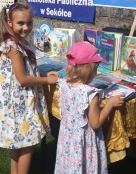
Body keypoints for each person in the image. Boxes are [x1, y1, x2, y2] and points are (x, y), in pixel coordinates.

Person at [0, 2, 59, 174]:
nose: (26, 27)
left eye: (29, 23)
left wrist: (42, 74)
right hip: (21, 105)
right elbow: (22, 79)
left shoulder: (15, 42)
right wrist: (47, 81)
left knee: (17, 143)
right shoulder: (14, 48)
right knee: (28, 144)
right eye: (21, 23)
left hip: (16, 103)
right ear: (10, 22)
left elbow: (23, 72)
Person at [54, 41, 125, 174]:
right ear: (89, 70)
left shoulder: (63, 85)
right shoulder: (90, 94)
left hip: (67, 142)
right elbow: (95, 123)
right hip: (84, 143)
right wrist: (110, 103)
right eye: (96, 68)